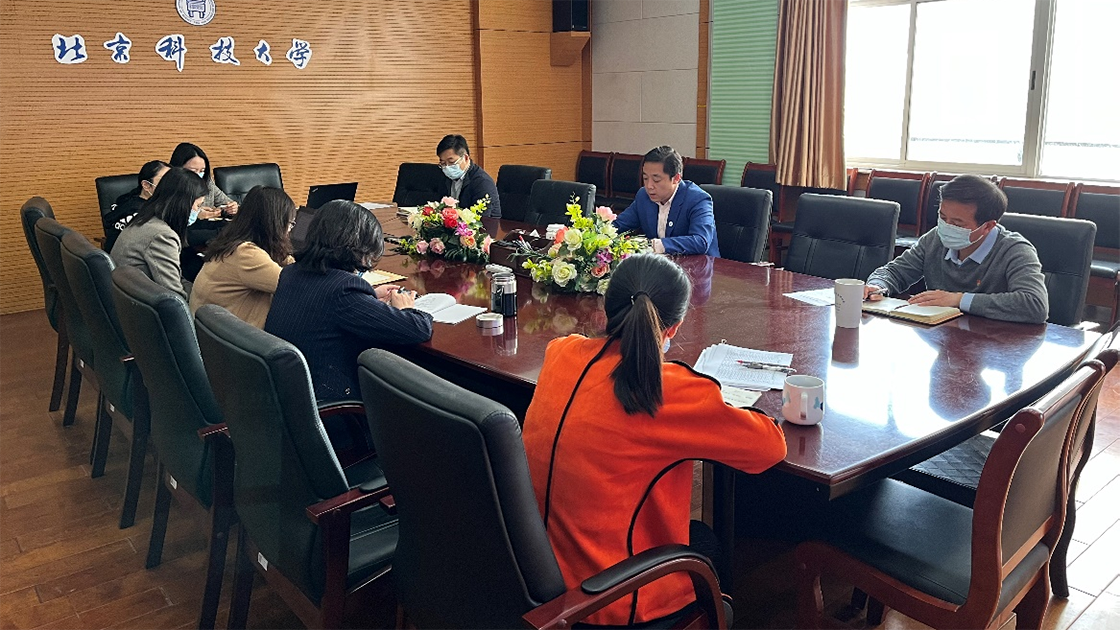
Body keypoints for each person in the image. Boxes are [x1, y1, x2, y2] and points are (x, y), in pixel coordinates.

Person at [521, 254, 787, 626]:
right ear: (675, 327)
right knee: (707, 544)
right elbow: (771, 448)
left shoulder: (560, 353)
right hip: (608, 601)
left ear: (606, 307)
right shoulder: (666, 390)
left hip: (535, 576)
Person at [264, 200, 434, 406]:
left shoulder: (291, 273)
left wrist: (368, 297)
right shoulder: (344, 290)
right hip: (333, 406)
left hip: (287, 398)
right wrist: (406, 308)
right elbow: (417, 329)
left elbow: (325, 306)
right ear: (356, 247)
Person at [864, 174, 1048, 324]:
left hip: (997, 344)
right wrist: (878, 285)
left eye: (958, 223)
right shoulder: (935, 238)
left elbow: (1035, 304)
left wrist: (958, 300)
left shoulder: (1016, 250)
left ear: (987, 226)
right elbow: (895, 271)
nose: (946, 226)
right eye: (943, 217)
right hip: (943, 335)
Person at [189, 186, 296, 328]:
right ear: (275, 224)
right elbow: (295, 287)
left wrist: (290, 259)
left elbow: (283, 261)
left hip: (212, 332)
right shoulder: (247, 254)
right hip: (226, 337)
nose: (289, 230)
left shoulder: (233, 241)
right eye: (290, 224)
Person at [110, 167, 207, 300]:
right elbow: (175, 297)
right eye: (198, 205)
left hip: (130, 300)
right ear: (182, 204)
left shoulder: (145, 217)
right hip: (143, 306)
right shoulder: (161, 235)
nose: (198, 211)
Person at [613, 146, 719, 256]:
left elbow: (701, 241)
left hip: (698, 264)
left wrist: (655, 245)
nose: (649, 186)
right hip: (660, 263)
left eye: (656, 180)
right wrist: (603, 232)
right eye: (645, 178)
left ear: (676, 178)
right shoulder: (643, 196)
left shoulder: (698, 199)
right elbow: (618, 225)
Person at [102, 160, 169, 252]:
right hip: (128, 257)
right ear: (146, 185)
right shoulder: (139, 211)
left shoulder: (134, 199)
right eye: (164, 180)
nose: (170, 185)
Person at [436, 134, 501, 218]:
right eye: (443, 163)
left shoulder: (482, 183)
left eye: (451, 162)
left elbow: (480, 219)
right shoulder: (445, 177)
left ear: (466, 158)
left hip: (484, 225)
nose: (447, 167)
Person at [169, 142, 238, 218]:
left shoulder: (207, 182)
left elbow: (226, 202)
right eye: (193, 171)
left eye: (202, 171)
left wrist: (232, 208)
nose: (198, 175)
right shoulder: (169, 185)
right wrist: (196, 214)